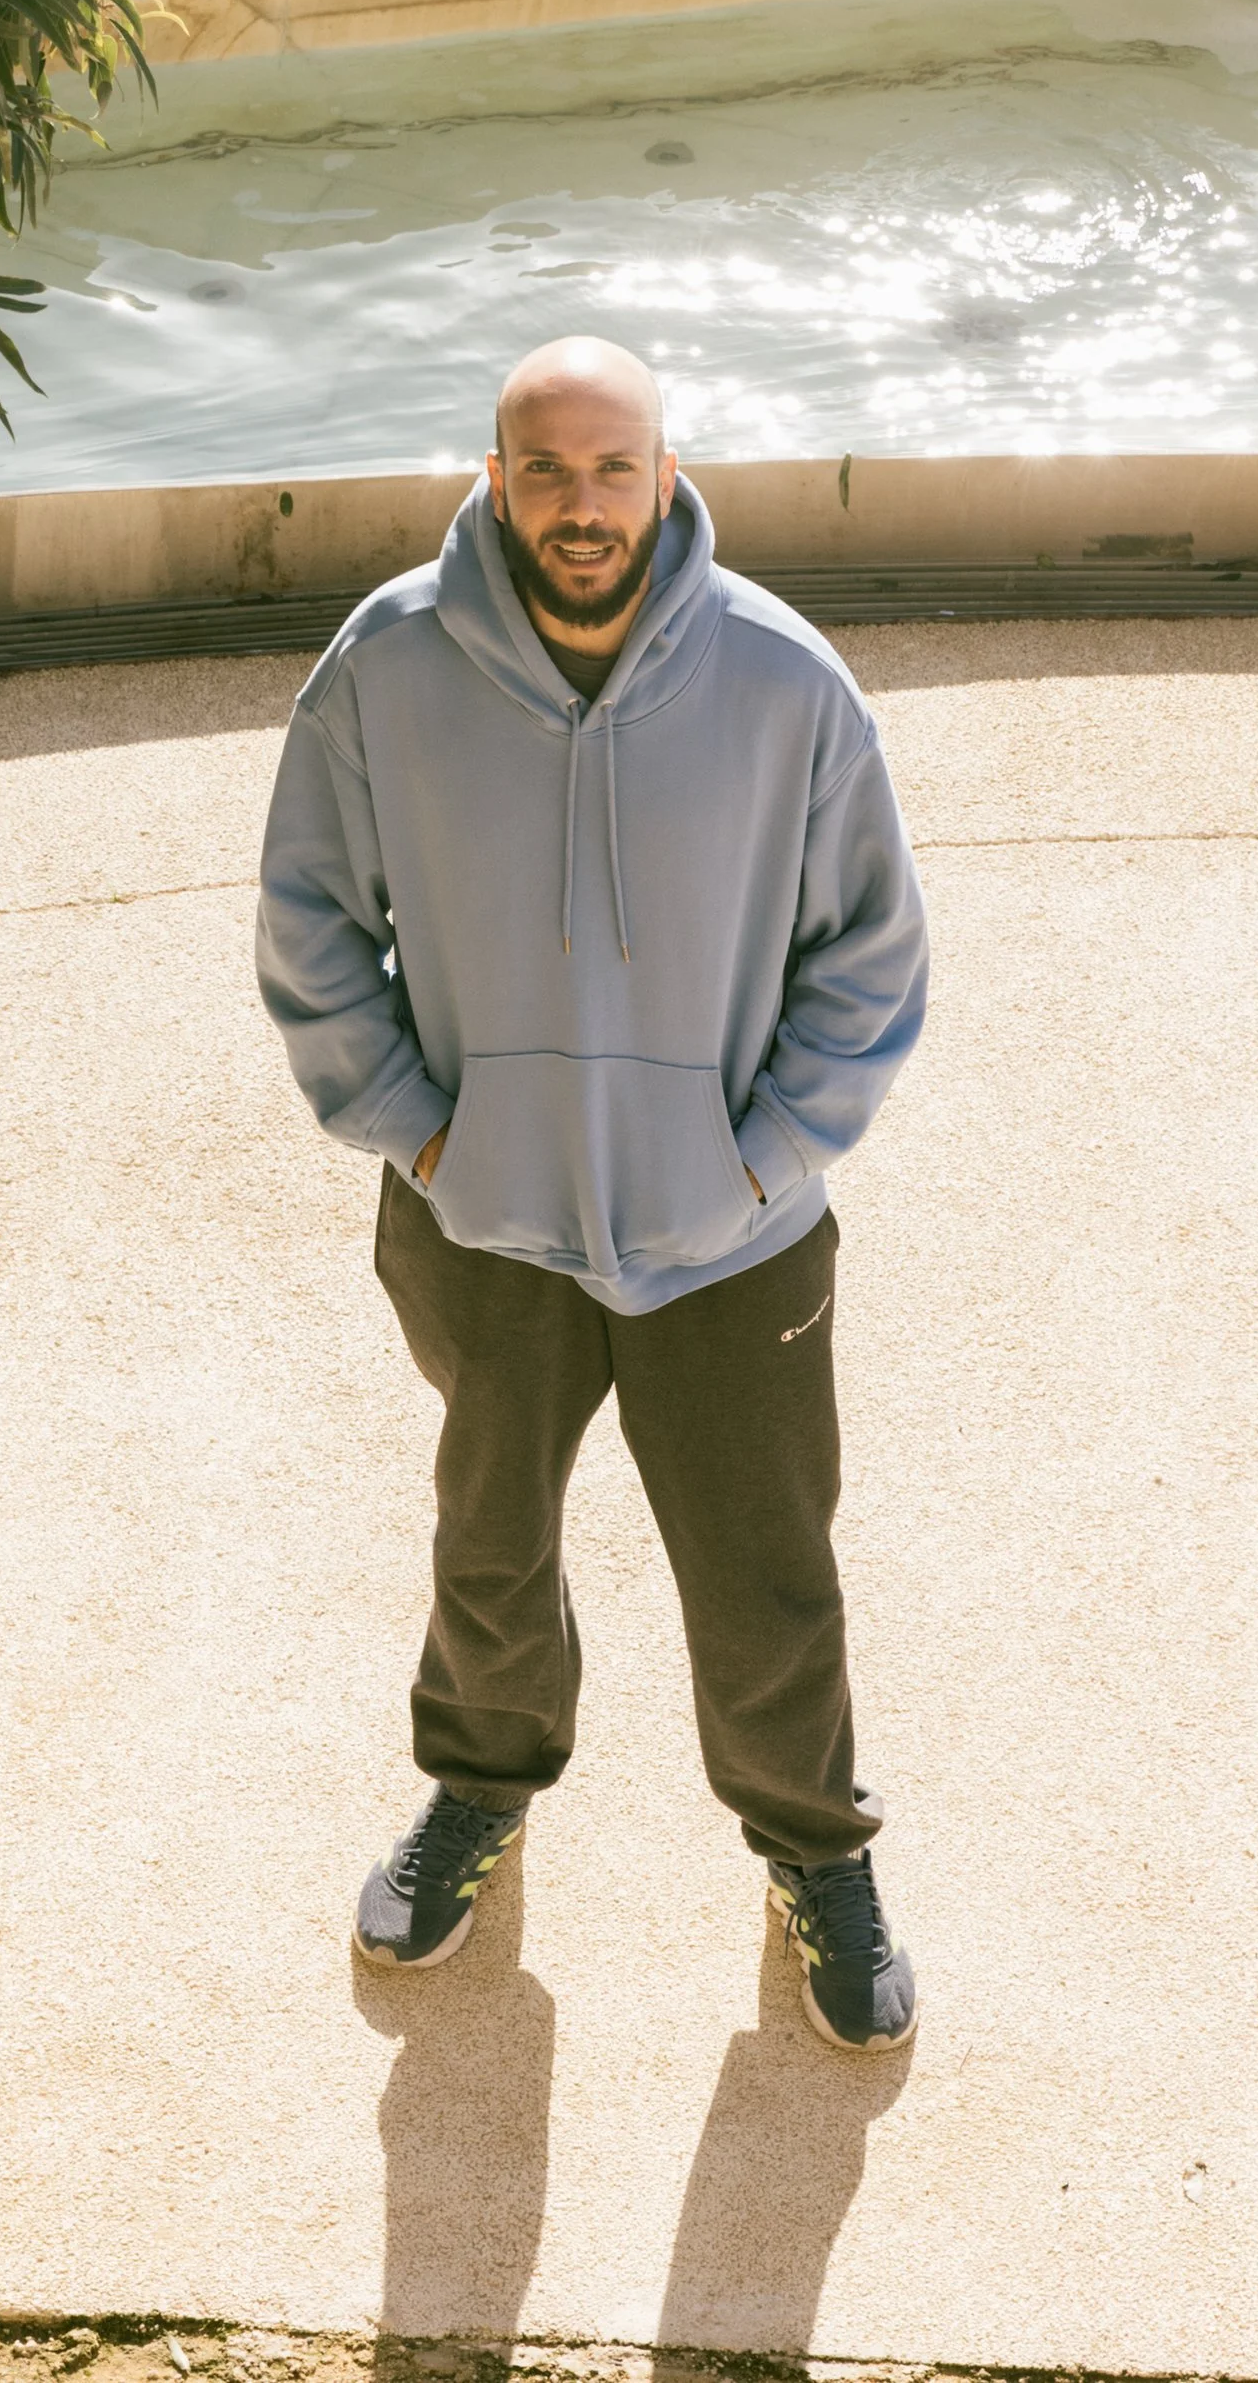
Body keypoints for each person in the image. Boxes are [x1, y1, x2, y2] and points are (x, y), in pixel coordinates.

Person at [254, 336, 930, 2051]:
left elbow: (873, 959)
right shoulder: (388, 667)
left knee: (767, 1574)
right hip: (482, 1221)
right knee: (489, 1545)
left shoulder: (786, 684)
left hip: (734, 1236)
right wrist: (417, 1133)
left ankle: (814, 1852)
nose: (580, 502)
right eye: (544, 468)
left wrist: (761, 1161)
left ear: (668, 474)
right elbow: (312, 921)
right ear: (492, 478)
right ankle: (479, 1789)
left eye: (612, 466)